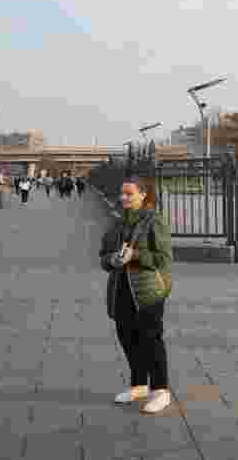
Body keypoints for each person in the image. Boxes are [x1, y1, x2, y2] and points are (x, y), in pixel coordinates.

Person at [99, 175, 174, 414]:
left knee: (151, 340)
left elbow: (164, 259)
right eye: (122, 193)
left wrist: (137, 256)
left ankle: (161, 391)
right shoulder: (117, 224)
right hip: (120, 290)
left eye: (129, 193)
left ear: (143, 195)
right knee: (127, 338)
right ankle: (140, 385)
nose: (123, 197)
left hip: (148, 291)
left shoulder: (154, 221)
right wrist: (113, 259)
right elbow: (104, 257)